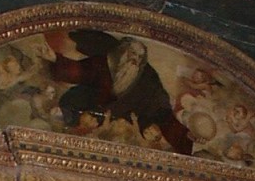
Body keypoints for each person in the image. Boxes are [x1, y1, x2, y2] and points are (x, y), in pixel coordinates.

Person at [46, 32, 193, 154]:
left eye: (139, 57)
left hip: (126, 120)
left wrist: (185, 138)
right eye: (132, 53)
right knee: (73, 98)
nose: (134, 60)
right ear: (122, 52)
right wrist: (55, 58)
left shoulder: (148, 78)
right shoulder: (105, 63)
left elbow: (162, 109)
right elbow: (80, 71)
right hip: (93, 110)